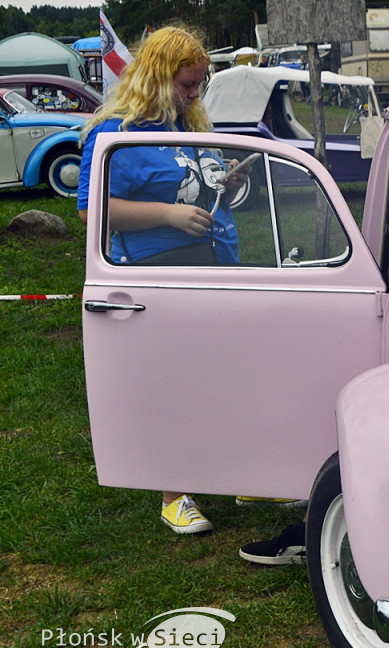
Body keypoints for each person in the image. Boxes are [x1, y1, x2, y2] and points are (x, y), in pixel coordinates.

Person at [77, 25, 253, 534]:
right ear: (156, 77)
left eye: (199, 86)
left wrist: (228, 179)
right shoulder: (113, 132)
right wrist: (167, 216)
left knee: (224, 373)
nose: (195, 95)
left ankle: (240, 471)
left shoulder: (186, 122)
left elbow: (199, 189)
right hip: (157, 276)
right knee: (175, 382)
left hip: (215, 263)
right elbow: (92, 212)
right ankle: (173, 492)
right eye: (186, 85)